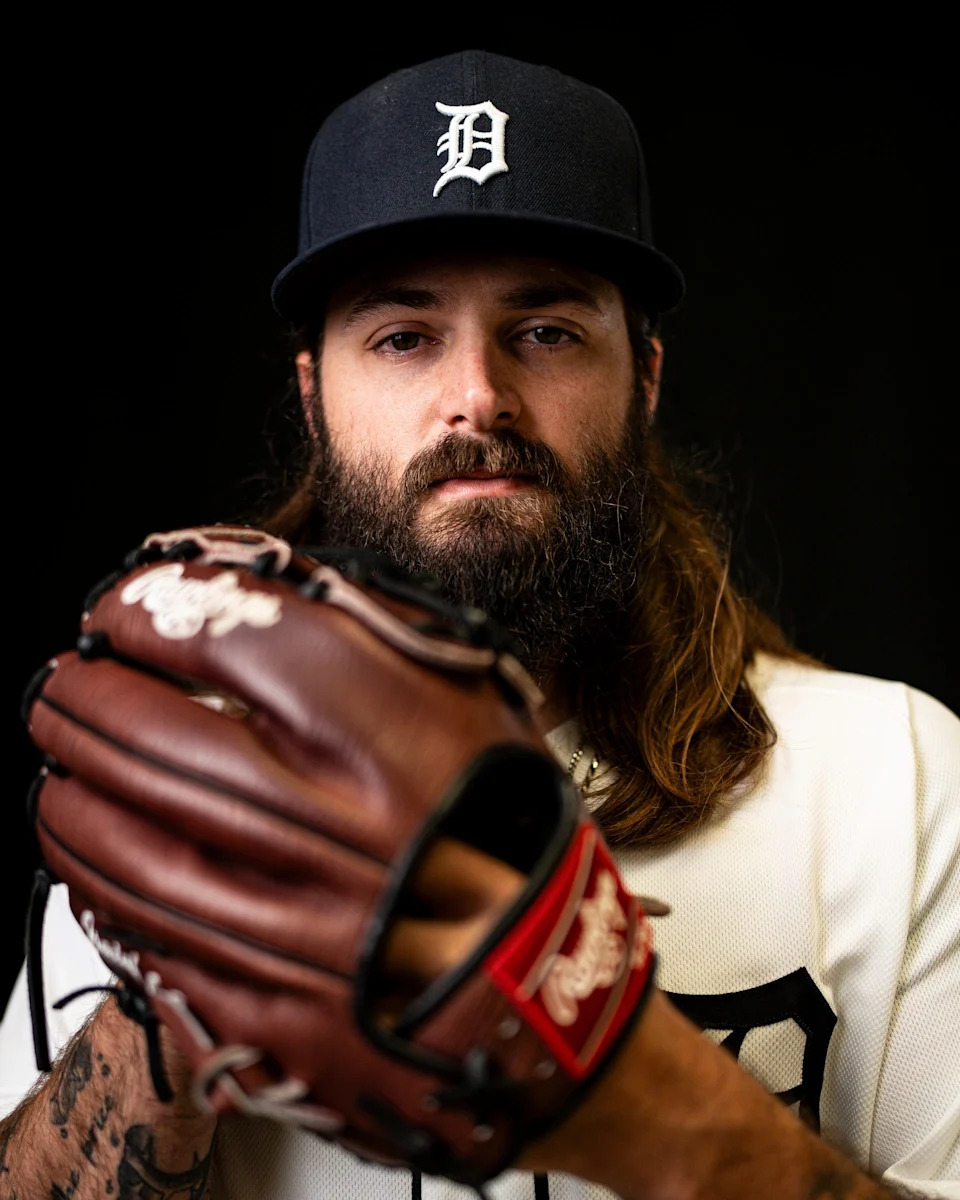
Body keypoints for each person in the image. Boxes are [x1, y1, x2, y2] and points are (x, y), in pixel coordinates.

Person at [1, 48, 957, 1200]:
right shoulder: (178, 773)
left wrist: (654, 1105)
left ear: (646, 379)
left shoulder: (897, 778)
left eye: (545, 330)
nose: (478, 397)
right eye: (403, 336)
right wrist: (174, 998)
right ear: (313, 397)